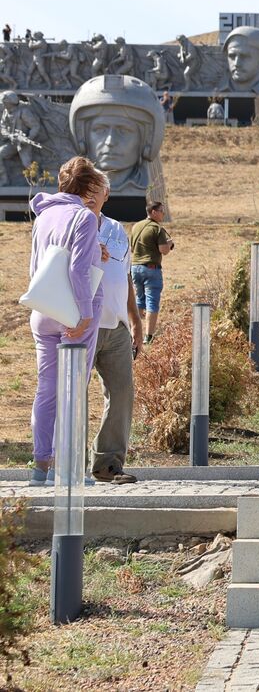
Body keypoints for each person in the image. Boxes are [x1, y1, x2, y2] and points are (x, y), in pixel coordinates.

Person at [27, 157, 106, 485]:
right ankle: (69, 469)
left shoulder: (43, 215)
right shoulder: (84, 217)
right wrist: (85, 314)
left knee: (46, 390)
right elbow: (76, 269)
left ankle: (40, 466)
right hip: (73, 313)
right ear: (88, 187)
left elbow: (36, 264)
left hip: (43, 309)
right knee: (73, 390)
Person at [90, 180, 141, 484]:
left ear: (106, 194)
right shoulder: (73, 226)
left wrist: (134, 321)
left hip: (117, 326)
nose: (89, 196)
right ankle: (62, 463)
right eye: (84, 190)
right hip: (82, 325)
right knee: (72, 396)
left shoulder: (118, 228)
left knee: (122, 394)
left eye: (95, 189)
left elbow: (126, 277)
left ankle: (107, 465)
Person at [130, 201, 173, 343]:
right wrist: (170, 244)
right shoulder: (157, 229)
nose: (163, 213)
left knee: (139, 300)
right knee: (152, 301)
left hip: (135, 267)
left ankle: (134, 332)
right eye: (161, 211)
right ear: (153, 212)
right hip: (151, 269)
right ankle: (148, 336)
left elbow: (131, 247)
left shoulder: (136, 226)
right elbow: (163, 250)